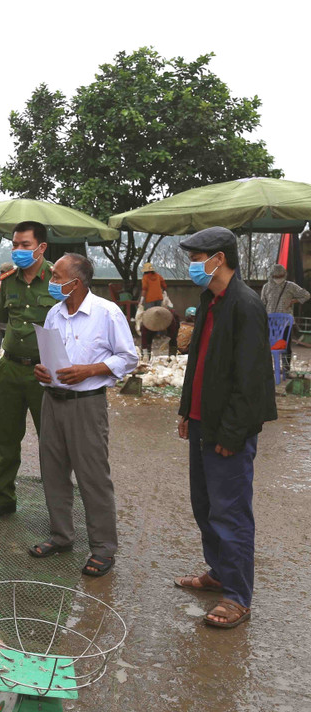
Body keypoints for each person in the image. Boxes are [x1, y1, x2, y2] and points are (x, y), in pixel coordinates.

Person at [174, 226, 276, 629]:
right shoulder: (211, 299)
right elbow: (197, 362)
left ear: (219, 258)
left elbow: (251, 379)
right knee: (206, 506)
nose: (193, 265)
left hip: (227, 429)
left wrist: (233, 434)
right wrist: (186, 411)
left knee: (231, 513)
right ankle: (217, 572)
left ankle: (237, 596)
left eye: (198, 258)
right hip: (202, 422)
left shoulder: (245, 304)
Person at [31, 254, 137, 577]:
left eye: (56, 275)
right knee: (53, 471)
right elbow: (49, 356)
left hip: (87, 405)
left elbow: (128, 358)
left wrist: (90, 370)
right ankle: (62, 536)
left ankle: (103, 548)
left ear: (75, 282)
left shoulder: (107, 313)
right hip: (52, 401)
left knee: (93, 477)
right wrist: (42, 372)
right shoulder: (54, 313)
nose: (51, 278)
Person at [0, 221, 57, 519]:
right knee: (7, 438)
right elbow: (4, 321)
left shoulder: (57, 278)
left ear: (41, 247)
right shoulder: (8, 281)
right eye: (15, 245)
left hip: (43, 372)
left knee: (50, 441)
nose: (18, 251)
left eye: (25, 245)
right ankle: (3, 498)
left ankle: (56, 505)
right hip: (10, 368)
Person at [260, 263, 309, 375]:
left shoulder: (290, 286)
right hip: (270, 323)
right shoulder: (266, 287)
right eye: (276, 276)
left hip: (286, 323)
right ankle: (268, 369)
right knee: (268, 346)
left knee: (285, 346)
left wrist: (294, 301)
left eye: (281, 276)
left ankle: (286, 369)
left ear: (284, 275)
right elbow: (262, 303)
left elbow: (306, 295)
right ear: (272, 276)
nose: (279, 279)